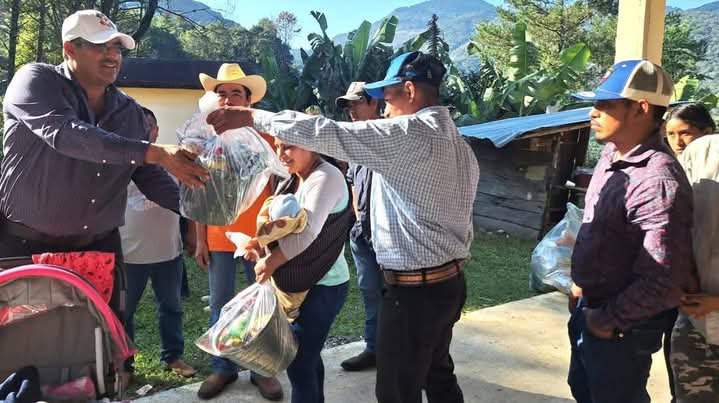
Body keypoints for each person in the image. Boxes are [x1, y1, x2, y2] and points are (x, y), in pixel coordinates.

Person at [207, 51, 480, 403]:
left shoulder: (409, 132)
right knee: (437, 374)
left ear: (410, 91)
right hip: (449, 283)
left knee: (397, 392)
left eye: (387, 98)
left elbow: (329, 132)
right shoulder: (458, 143)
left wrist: (251, 116)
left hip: (414, 292)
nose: (383, 109)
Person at [0, 10, 207, 319]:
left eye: (117, 48)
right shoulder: (36, 80)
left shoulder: (130, 112)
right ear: (69, 49)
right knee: (24, 341)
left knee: (102, 339)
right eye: (100, 46)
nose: (112, 55)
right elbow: (66, 134)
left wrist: (203, 207)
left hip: (99, 251)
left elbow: (147, 175)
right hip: (25, 247)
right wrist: (157, 152)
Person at [567, 60, 700, 403]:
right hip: (592, 306)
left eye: (605, 104)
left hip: (623, 327)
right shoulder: (612, 154)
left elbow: (664, 279)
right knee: (585, 389)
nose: (593, 112)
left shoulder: (657, 180)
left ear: (640, 108)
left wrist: (607, 321)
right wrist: (581, 283)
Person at [193, 63, 283, 401]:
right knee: (221, 304)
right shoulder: (206, 137)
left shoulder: (266, 136)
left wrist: (277, 234)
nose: (229, 99)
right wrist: (199, 238)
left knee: (262, 304)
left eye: (236, 93)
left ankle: (262, 370)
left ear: (249, 100)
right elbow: (199, 191)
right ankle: (223, 368)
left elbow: (282, 186)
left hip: (259, 238)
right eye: (222, 94)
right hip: (218, 238)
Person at [243, 138, 351, 403]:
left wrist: (270, 262)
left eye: (289, 146)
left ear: (311, 143)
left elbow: (306, 234)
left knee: (299, 360)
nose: (281, 153)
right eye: (278, 146)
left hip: (324, 285)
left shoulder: (326, 177)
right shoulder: (295, 177)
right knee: (307, 357)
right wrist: (258, 243)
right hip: (302, 282)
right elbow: (283, 225)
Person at [119, 107, 196, 379]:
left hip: (168, 252)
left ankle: (173, 357)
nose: (145, 131)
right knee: (124, 311)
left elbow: (190, 200)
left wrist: (192, 235)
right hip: (129, 254)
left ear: (157, 130)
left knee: (171, 307)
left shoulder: (173, 162)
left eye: (149, 126)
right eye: (139, 126)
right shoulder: (120, 161)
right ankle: (124, 363)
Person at [667, 106, 718, 403]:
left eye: (684, 133)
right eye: (670, 134)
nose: (677, 142)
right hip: (695, 319)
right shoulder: (699, 157)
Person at [334, 82, 383, 372]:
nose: (351, 110)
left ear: (374, 102)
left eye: (356, 103)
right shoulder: (354, 140)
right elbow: (352, 180)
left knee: (396, 295)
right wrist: (357, 216)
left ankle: (396, 351)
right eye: (348, 105)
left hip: (388, 235)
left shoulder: (390, 136)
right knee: (369, 290)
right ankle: (374, 349)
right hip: (361, 233)